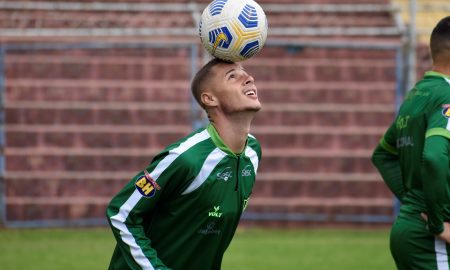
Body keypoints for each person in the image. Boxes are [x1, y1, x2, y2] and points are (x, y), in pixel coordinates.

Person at [106, 58, 262, 270]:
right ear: (209, 98)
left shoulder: (252, 152)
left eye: (245, 72)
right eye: (233, 76)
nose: (248, 78)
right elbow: (121, 213)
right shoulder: (186, 158)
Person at [372, 16, 450, 269]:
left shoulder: (417, 95)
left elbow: (383, 155)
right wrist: (437, 222)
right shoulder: (446, 95)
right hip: (430, 238)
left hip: (412, 227)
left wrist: (413, 202)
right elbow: (434, 157)